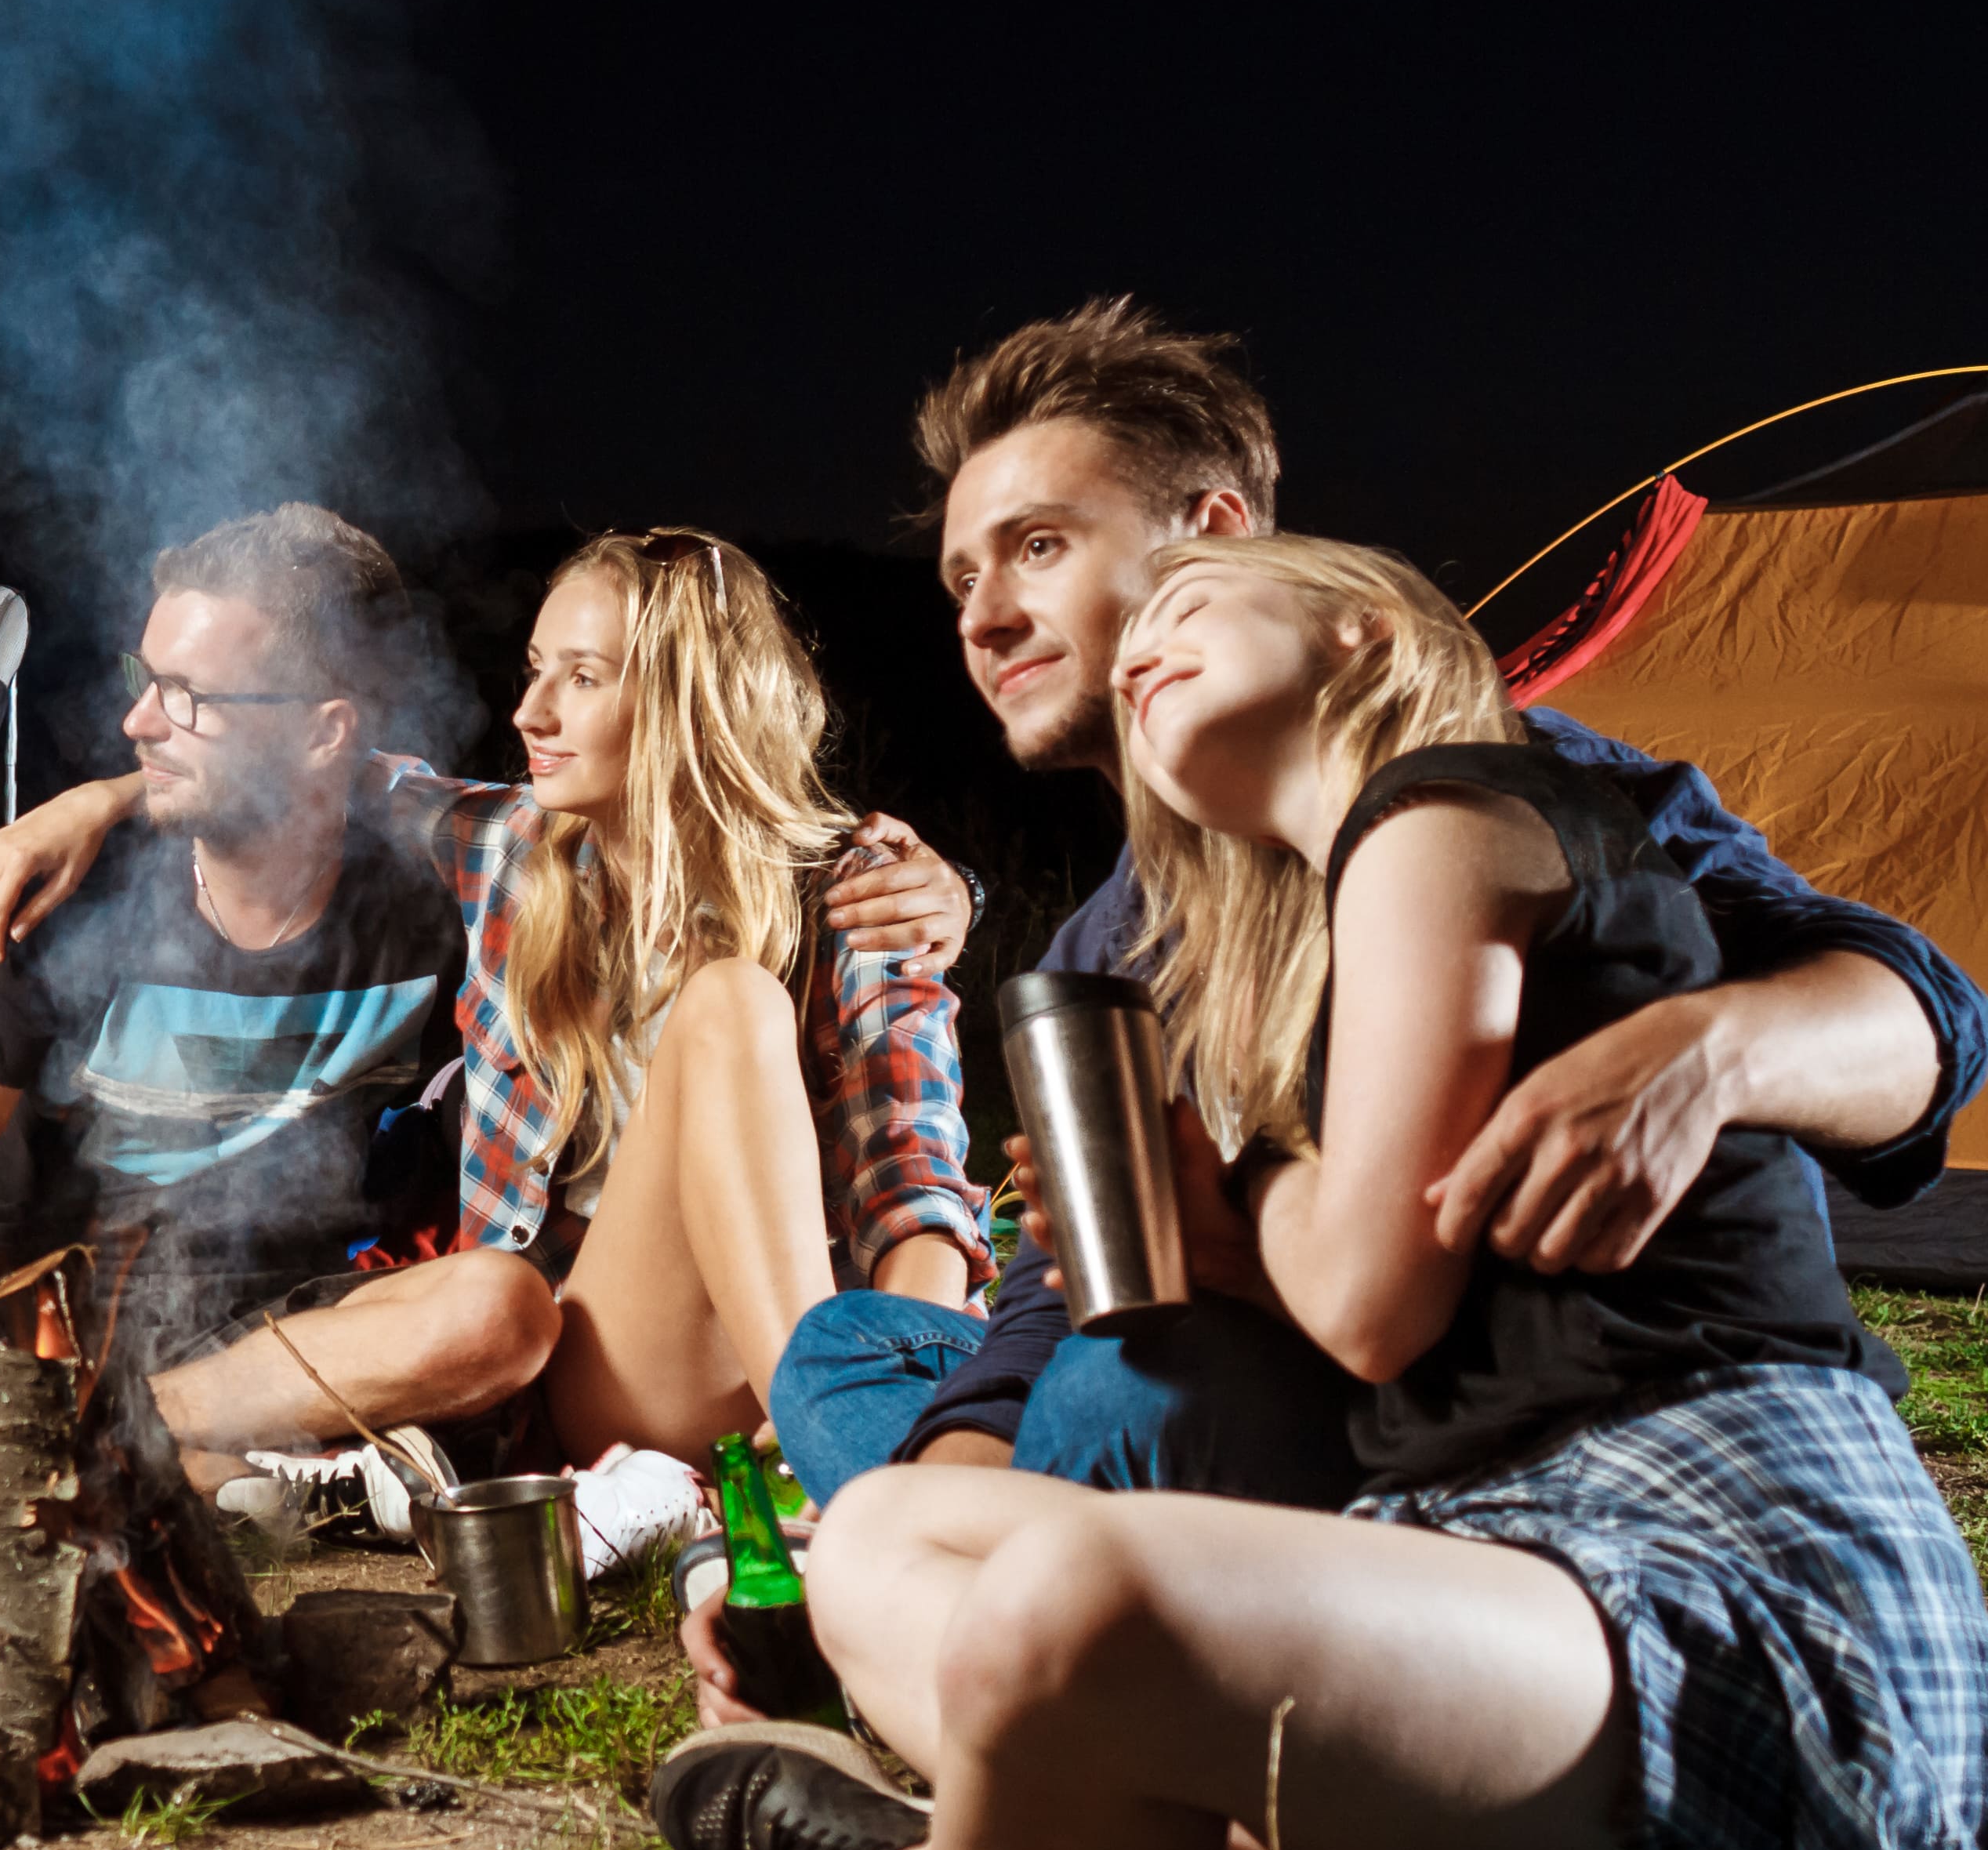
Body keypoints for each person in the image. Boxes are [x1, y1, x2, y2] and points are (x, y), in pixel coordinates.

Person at [654, 535, 1988, 1850]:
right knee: (886, 1537)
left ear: (1357, 631)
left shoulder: (1443, 808)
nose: (1139, 648)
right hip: (1495, 1571)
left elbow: (1367, 1307)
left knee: (1068, 1599)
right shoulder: (1226, 914)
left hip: (1724, 1583)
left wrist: (1225, 1213)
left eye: (1188, 607)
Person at [764, 299, 1987, 1525]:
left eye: (1038, 547)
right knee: (853, 1351)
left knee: (1120, 1392)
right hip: (1246, 1370)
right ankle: (1003, 1540)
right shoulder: (1105, 944)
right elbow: (1071, 1280)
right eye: (962, 577)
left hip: (1516, 1410)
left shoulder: (1499, 789)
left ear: (1216, 536)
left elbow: (1932, 1025)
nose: (980, 618)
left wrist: (1709, 1053)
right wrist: (956, 1474)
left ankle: (1024, 1552)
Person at [0, 527, 995, 1493]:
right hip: (605, 1358)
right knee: (727, 1013)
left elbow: (917, 1194)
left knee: (738, 1008)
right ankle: (864, 1476)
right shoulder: (509, 853)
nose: (531, 713)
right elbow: (284, 764)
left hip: (797, 1348)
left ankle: (856, 1451)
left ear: (687, 699)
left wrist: (898, 1380)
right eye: (536, 670)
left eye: (581, 678)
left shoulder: (857, 889)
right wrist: (100, 799)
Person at [0, 505, 553, 1493]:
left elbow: (577, 821)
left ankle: (110, 1449)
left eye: (190, 698)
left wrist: (109, 792)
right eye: (148, 680)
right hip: (26, 1321)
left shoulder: (433, 894)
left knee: (500, 1312)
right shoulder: (58, 892)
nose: (137, 723)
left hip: (270, 1345)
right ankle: (158, 1464)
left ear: (326, 733)